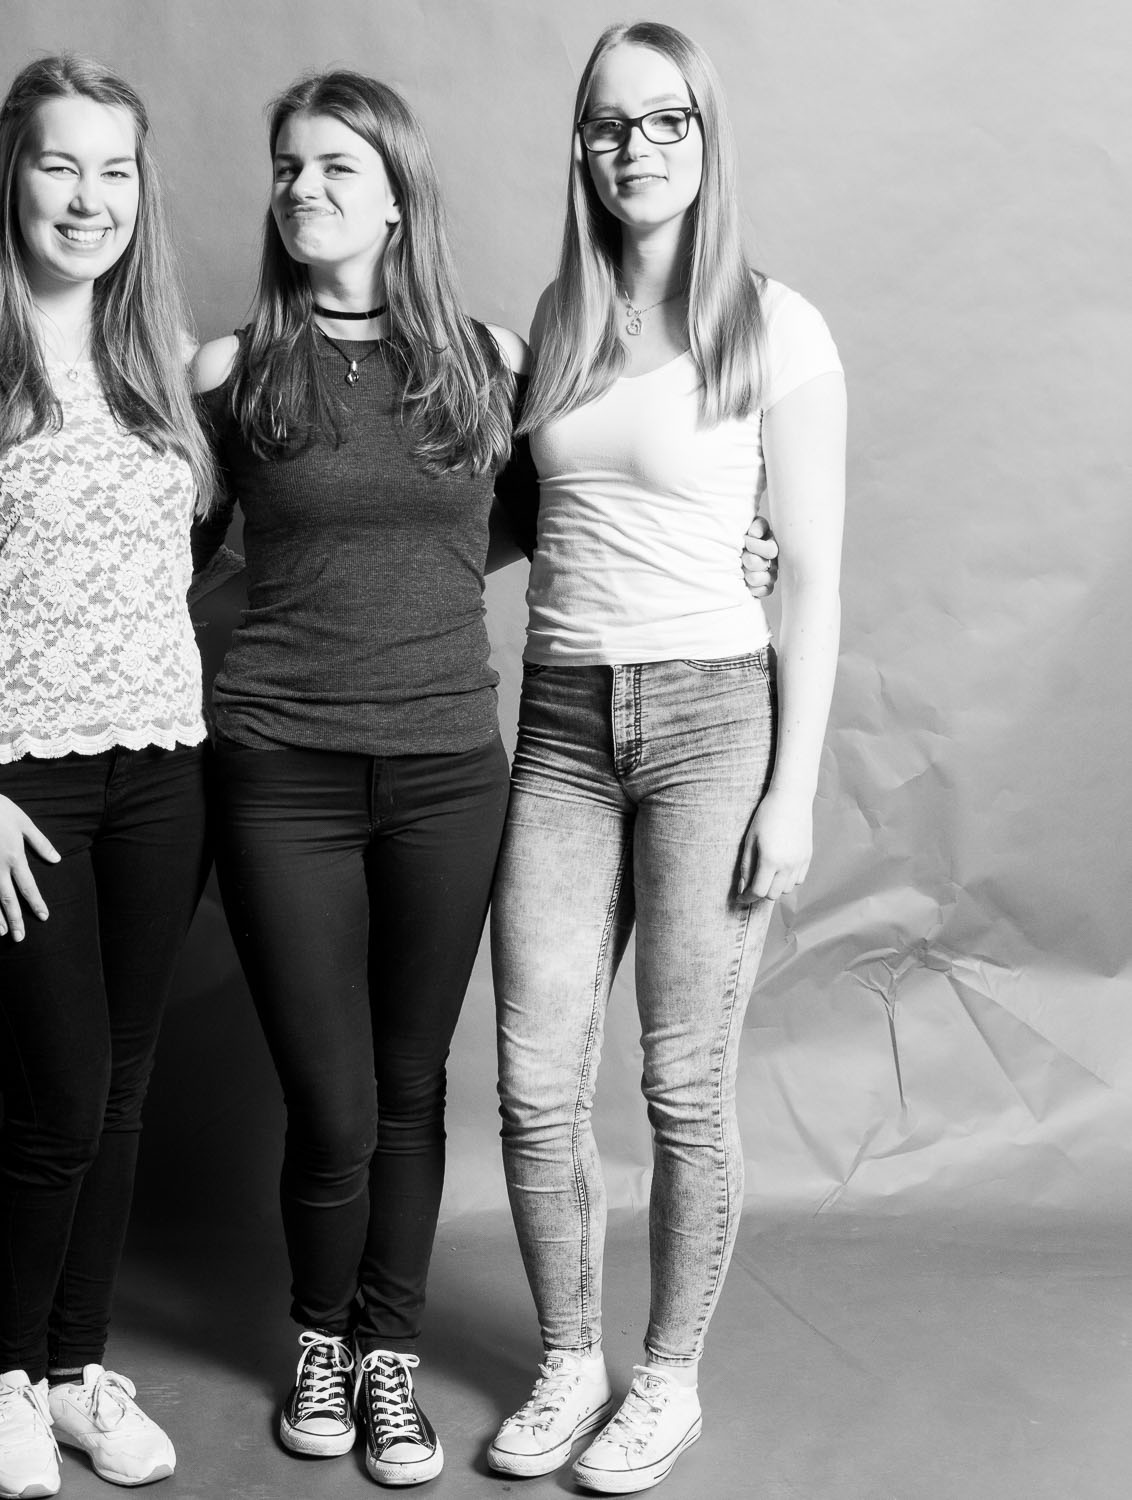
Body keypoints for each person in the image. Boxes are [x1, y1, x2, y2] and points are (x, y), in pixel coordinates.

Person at [486, 21, 846, 1496]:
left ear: (704, 137)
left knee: (683, 1088)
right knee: (531, 1080)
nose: (634, 148)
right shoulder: (557, 324)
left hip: (713, 720)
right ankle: (569, 1358)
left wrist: (793, 789)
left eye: (663, 121)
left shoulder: (776, 326)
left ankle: (668, 1378)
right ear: (580, 146)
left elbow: (811, 575)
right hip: (561, 724)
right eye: (607, 124)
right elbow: (524, 524)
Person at [0, 54, 214, 1499]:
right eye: (61, 165)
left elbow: (273, 529)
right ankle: (7, 1379)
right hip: (11, 791)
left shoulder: (160, 363)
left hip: (164, 776)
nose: (89, 197)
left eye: (114, 170)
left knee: (121, 1090)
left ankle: (78, 1373)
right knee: (61, 1097)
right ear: (13, 176)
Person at [189, 69, 530, 1488]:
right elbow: (162, 553)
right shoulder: (232, 371)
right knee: (330, 1103)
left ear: (398, 193)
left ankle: (387, 1355)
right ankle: (319, 1340)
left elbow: (539, 517)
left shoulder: (487, 358)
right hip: (282, 770)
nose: (304, 188)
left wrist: (743, 550)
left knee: (409, 1085)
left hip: (448, 769)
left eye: (336, 165)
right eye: (288, 166)